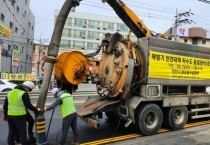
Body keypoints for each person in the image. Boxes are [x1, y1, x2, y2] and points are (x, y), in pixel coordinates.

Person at [3, 81, 40, 145]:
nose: (28, 91)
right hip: (19, 116)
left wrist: (5, 115)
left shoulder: (10, 92)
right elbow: (29, 105)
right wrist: (36, 109)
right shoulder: (23, 93)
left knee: (11, 132)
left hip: (10, 116)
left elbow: (5, 106)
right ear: (26, 87)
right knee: (23, 132)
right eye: (29, 89)